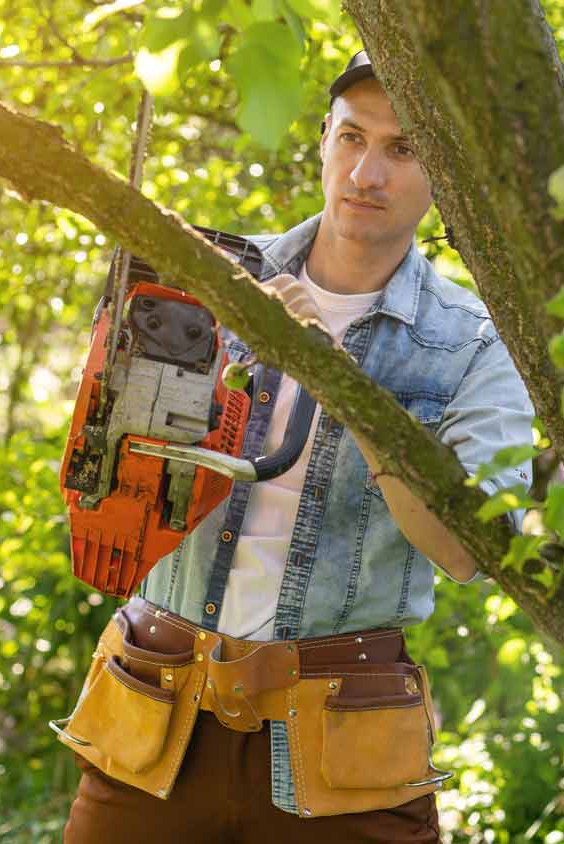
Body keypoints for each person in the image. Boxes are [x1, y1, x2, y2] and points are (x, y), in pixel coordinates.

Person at [60, 49, 535, 844]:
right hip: (157, 707)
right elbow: (103, 467)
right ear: (322, 140)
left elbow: (463, 547)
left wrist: (333, 372)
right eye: (352, 138)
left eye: (404, 149)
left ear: (445, 172)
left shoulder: (477, 347)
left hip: (342, 737)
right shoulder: (204, 278)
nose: (367, 173)